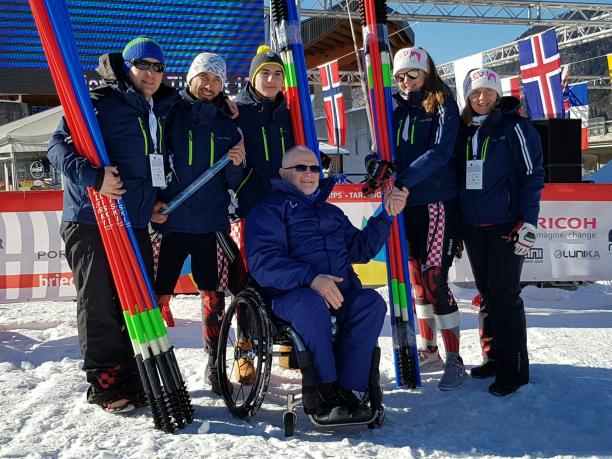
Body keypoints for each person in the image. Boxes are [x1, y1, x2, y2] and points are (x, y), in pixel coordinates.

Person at [47, 37, 179, 412]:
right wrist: (93, 177)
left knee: (136, 300)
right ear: (128, 66)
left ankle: (133, 375)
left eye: (158, 67)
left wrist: (151, 202)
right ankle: (104, 381)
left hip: (134, 220)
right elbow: (56, 147)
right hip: (91, 218)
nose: (152, 73)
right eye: (144, 65)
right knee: (99, 302)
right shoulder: (98, 102)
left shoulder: (156, 109)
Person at [245, 146, 408, 422]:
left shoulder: (331, 212)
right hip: (290, 296)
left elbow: (359, 250)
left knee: (371, 303)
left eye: (313, 169)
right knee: (311, 304)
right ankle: (323, 389)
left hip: (339, 293)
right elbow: (264, 264)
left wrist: (386, 215)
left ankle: (350, 389)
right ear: (284, 174)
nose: (309, 174)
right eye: (301, 168)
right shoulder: (269, 210)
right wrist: (311, 279)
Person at [150, 53, 246, 395]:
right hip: (169, 222)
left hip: (210, 224)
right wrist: (151, 204)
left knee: (213, 294)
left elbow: (235, 180)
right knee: (155, 293)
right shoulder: (168, 114)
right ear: (190, 78)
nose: (209, 85)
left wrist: (237, 163)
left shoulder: (228, 125)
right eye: (203, 77)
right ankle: (149, 363)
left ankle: (215, 363)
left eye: (217, 80)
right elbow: (153, 161)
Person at [456, 68, 544, 396]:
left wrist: (527, 220)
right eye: (476, 93)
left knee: (505, 295)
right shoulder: (463, 130)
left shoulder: (515, 127)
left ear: (497, 94)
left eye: (488, 92)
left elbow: (532, 175)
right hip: (473, 226)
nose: (482, 98)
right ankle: (494, 357)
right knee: (486, 292)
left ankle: (515, 369)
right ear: (467, 96)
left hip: (507, 224)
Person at [391, 47, 464, 390]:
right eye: (400, 76)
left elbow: (439, 152)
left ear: (426, 73)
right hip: (405, 204)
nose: (406, 81)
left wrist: (403, 181)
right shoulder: (395, 107)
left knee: (436, 278)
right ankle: (429, 348)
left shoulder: (442, 103)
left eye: (412, 74)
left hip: (435, 200)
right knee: (417, 280)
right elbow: (384, 148)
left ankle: (455, 359)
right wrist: (379, 165)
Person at [234, 45, 294, 218]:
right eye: (264, 72)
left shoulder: (290, 115)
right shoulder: (237, 112)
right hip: (251, 206)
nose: (271, 79)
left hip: (287, 205)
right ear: (252, 78)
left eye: (277, 74)